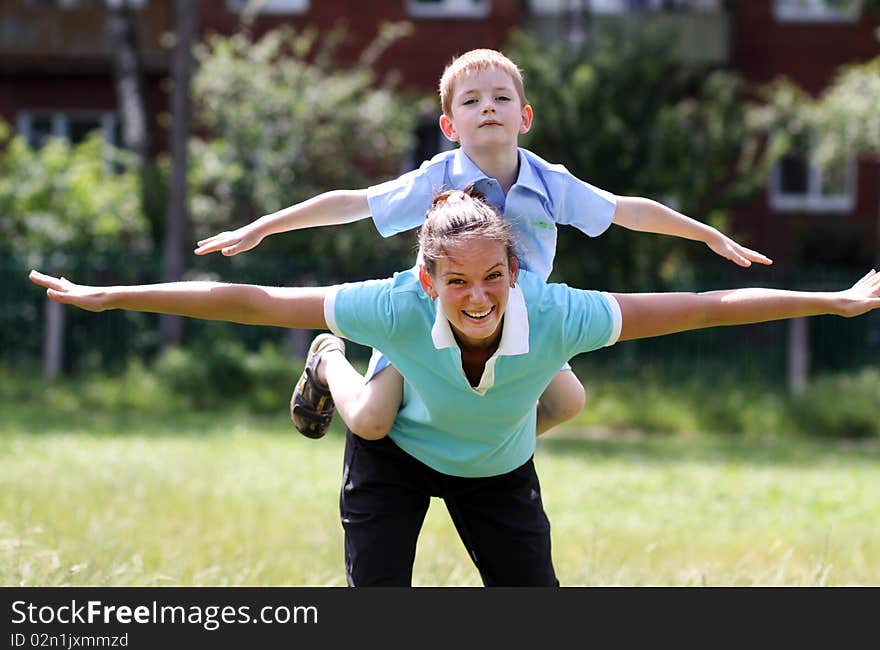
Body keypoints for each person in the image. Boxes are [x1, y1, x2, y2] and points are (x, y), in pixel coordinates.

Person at [29, 190, 880, 587]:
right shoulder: (395, 305)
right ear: (429, 281)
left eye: (493, 278)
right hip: (395, 459)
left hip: (497, 472)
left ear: (515, 270)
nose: (477, 295)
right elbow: (249, 299)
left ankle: (405, 388)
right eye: (458, 281)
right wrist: (113, 294)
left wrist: (832, 301)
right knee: (370, 446)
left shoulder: (557, 313)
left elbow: (704, 308)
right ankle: (331, 358)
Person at [193, 48, 773, 441]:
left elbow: (627, 211)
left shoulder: (552, 184)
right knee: (371, 422)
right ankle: (327, 360)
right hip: (433, 317)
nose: (486, 107)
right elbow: (352, 202)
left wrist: (707, 234)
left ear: (523, 116)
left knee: (568, 403)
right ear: (451, 126)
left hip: (520, 322)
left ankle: (475, 445)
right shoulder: (435, 179)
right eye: (470, 102)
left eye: (499, 98)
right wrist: (263, 225)